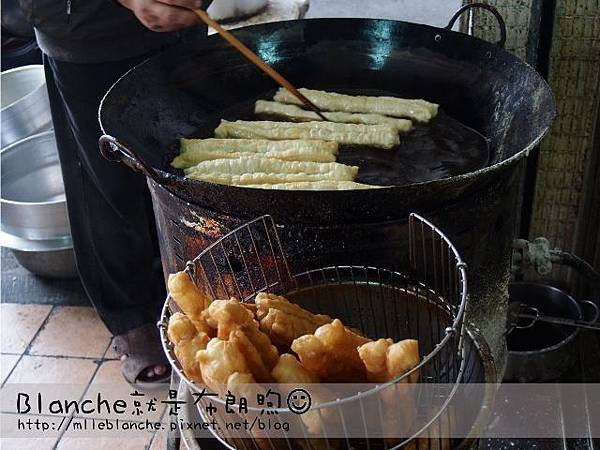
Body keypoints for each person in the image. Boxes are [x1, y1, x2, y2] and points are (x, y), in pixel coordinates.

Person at [19, 0, 206, 386]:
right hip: (84, 27)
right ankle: (133, 316)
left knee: (185, 159)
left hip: (179, 28)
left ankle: (194, 293)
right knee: (106, 182)